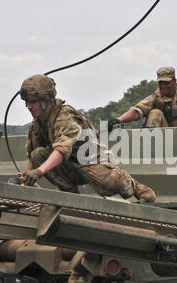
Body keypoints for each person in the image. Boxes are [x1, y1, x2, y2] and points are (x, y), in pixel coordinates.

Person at [20, 74, 156, 203]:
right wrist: (25, 179)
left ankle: (137, 188)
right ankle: (70, 195)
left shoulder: (65, 116)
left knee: (109, 182)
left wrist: (39, 172)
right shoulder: (37, 124)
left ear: (46, 99)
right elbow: (32, 156)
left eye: (32, 102)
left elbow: (62, 149)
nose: (28, 107)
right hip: (70, 166)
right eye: (26, 102)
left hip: (93, 161)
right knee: (38, 154)